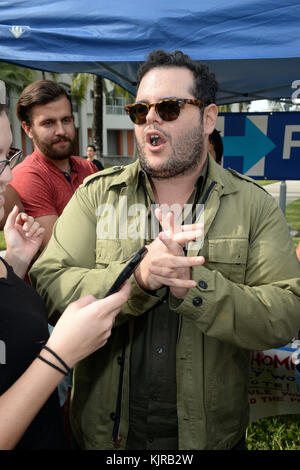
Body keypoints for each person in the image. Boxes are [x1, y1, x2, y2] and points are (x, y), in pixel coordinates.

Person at [30, 50, 300, 451]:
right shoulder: (96, 196)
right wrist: (137, 278)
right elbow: (49, 287)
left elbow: (287, 313)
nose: (150, 119)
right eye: (141, 110)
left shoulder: (253, 205)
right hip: (108, 441)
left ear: (208, 119)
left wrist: (196, 287)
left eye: (169, 107)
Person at [0, 100, 130, 450]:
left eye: (8, 155)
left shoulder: (85, 168)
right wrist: (59, 357)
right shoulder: (35, 176)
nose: (10, 176)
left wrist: (14, 264)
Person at [0, 80, 98, 250]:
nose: (61, 130)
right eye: (48, 123)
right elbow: (62, 250)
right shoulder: (27, 176)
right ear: (28, 129)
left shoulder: (88, 168)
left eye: (66, 120)